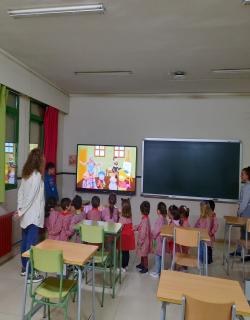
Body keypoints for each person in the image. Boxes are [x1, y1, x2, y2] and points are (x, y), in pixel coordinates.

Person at [17, 148, 45, 282]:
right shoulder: (36, 176)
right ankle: (30, 273)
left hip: (25, 215)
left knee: (25, 242)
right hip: (33, 216)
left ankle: (24, 268)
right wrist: (21, 211)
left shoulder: (26, 174)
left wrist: (19, 210)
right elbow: (32, 197)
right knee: (31, 244)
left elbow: (20, 193)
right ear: (40, 161)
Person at [231, 167, 250, 257]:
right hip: (246, 212)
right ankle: (239, 251)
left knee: (246, 232)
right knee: (244, 232)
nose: (240, 176)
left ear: (248, 176)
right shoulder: (246, 186)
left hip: (246, 212)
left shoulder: (247, 187)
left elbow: (244, 203)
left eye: (242, 174)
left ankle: (244, 252)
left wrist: (239, 212)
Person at [134, 201, 153, 274]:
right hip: (144, 240)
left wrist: (140, 241)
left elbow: (143, 232)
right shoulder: (145, 218)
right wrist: (136, 227)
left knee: (144, 255)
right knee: (142, 253)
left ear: (141, 210)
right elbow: (140, 226)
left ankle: (146, 267)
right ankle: (141, 264)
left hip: (144, 241)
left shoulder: (145, 220)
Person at [150, 202, 168, 278]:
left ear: (158, 211)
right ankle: (160, 271)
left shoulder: (159, 219)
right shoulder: (165, 219)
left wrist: (153, 236)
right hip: (163, 241)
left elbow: (157, 230)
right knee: (161, 257)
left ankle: (157, 273)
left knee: (157, 257)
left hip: (159, 241)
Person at [119, 198, 135, 272]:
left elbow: (120, 227)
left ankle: (122, 267)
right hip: (129, 237)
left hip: (123, 237)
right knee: (127, 252)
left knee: (122, 252)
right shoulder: (130, 216)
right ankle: (126, 266)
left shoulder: (122, 218)